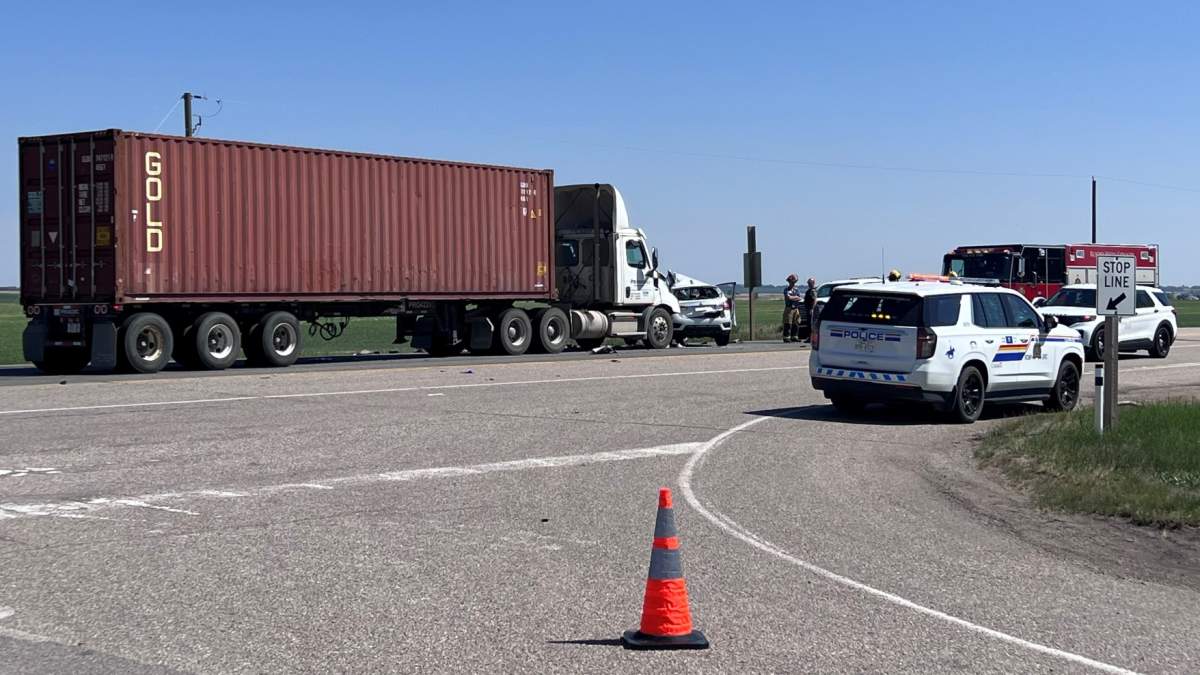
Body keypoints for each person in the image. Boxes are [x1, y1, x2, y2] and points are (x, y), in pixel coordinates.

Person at [783, 274, 803, 343]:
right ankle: (786, 337)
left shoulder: (796, 289)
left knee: (796, 323)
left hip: (796, 308)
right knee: (788, 323)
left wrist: (794, 297)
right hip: (789, 308)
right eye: (792, 282)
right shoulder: (786, 289)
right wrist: (795, 297)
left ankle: (794, 337)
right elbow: (788, 297)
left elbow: (799, 297)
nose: (793, 284)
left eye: (794, 282)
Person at [801, 277, 818, 342]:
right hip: (808, 308)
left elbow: (814, 300)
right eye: (808, 283)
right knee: (808, 324)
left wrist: (812, 309)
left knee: (811, 324)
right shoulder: (809, 290)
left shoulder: (813, 291)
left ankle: (811, 338)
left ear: (813, 283)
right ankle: (809, 337)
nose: (808, 284)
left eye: (809, 283)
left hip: (810, 309)